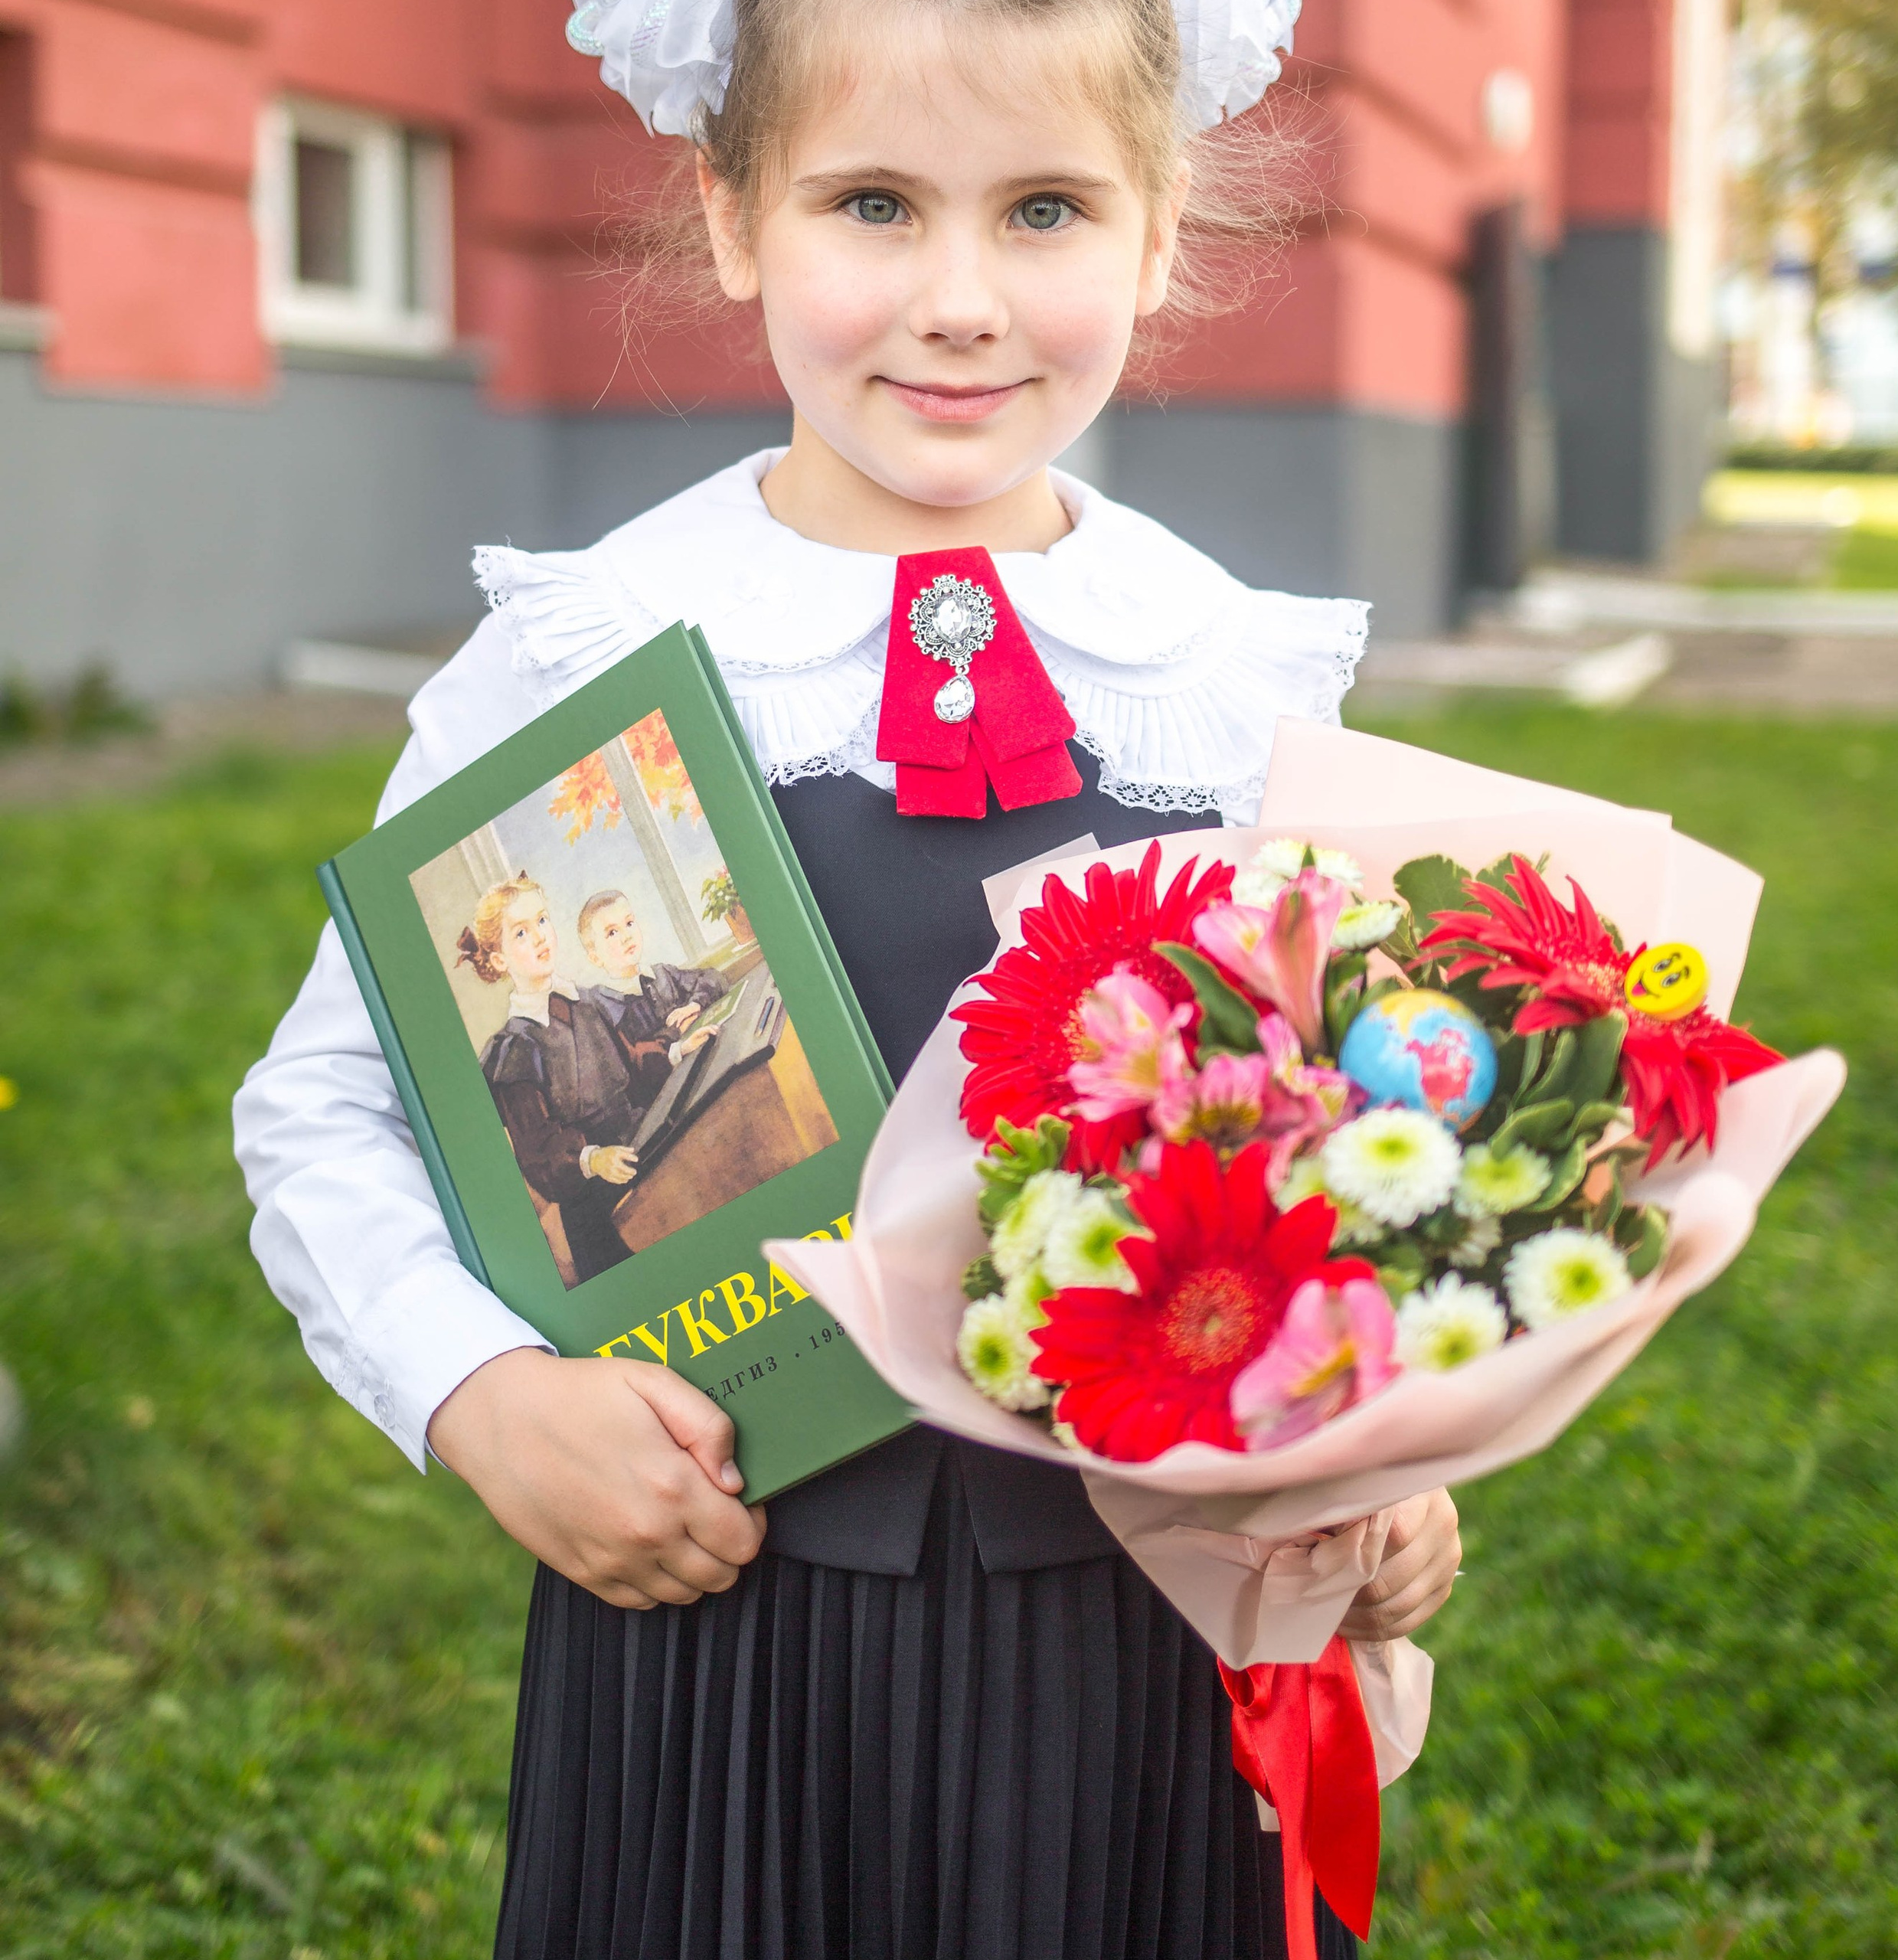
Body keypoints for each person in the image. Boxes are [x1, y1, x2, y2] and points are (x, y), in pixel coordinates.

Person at [234, 0, 1465, 1949]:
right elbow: (328, 1099)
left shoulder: (1228, 675)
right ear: (732, 217)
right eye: (872, 204)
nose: (957, 302)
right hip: (721, 1610)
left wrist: (1377, 1451)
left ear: (1158, 234)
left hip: (1137, 1631)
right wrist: (485, 1394)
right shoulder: (580, 649)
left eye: (1045, 209)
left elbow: (1317, 1135)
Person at [456, 875, 671, 1284]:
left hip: (642, 1149)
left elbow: (632, 1066)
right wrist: (594, 1159)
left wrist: (676, 1051)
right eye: (521, 933)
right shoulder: (513, 1050)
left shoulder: (588, 1003)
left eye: (542, 921)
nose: (540, 937)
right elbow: (538, 1152)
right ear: (499, 961)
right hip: (596, 1203)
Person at [577, 888, 730, 1057]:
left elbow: (714, 977)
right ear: (595, 958)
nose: (627, 936)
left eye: (629, 923)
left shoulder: (662, 974)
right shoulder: (604, 1006)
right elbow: (635, 1060)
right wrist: (678, 1040)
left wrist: (694, 1005)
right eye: (612, 933)